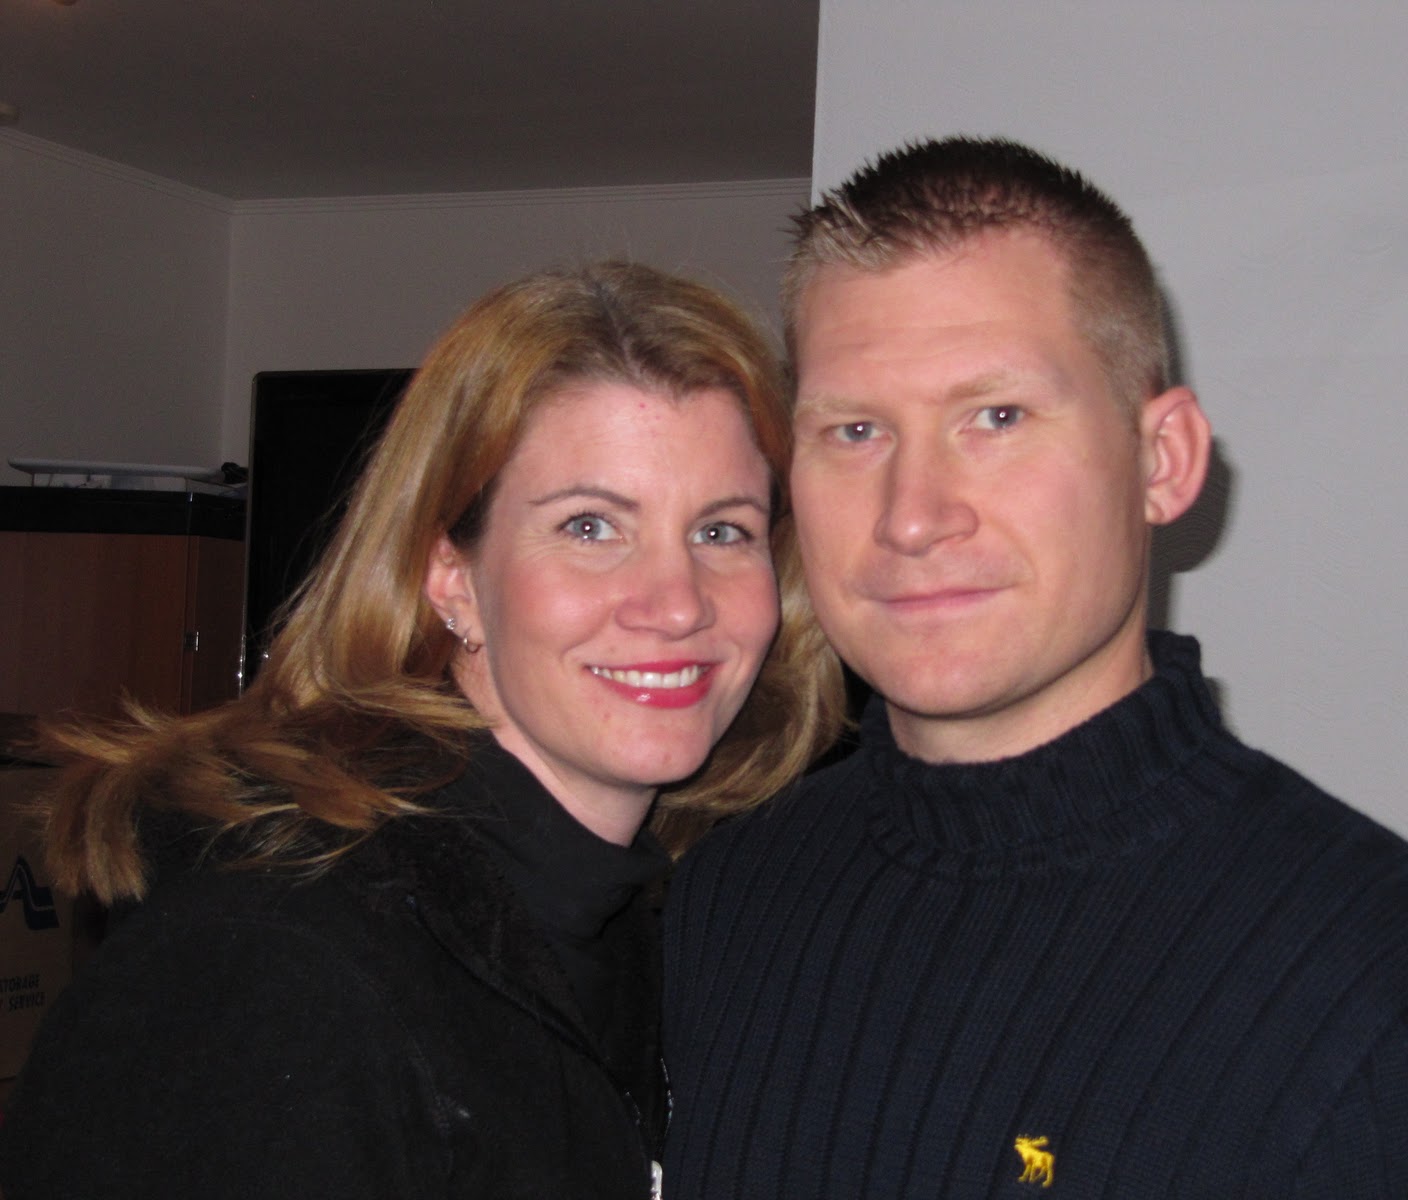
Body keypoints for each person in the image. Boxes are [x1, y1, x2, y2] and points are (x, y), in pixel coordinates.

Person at [661, 137, 1408, 1197]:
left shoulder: (1407, 1007)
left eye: (997, 417)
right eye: (856, 430)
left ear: (1163, 460)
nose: (913, 516)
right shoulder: (730, 900)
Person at [0, 261, 841, 1199]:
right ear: (451, 577)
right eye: (591, 527)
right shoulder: (267, 969)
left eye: (722, 532)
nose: (677, 604)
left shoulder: (647, 932)